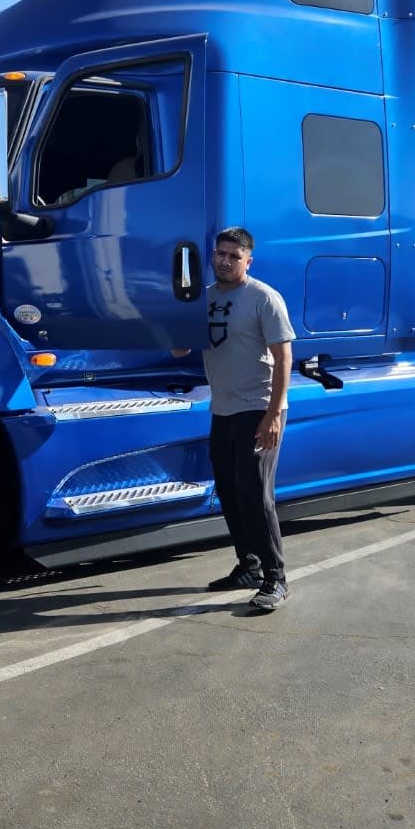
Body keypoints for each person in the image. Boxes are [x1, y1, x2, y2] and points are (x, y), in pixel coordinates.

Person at [173, 227, 296, 610]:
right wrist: (174, 314)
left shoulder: (263, 298)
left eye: (233, 256)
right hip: (222, 409)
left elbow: (284, 358)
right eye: (219, 254)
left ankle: (276, 579)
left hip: (257, 407)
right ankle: (248, 566)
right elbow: (179, 350)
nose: (224, 261)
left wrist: (274, 414)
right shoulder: (204, 298)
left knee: (255, 495)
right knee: (228, 490)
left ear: (248, 261)